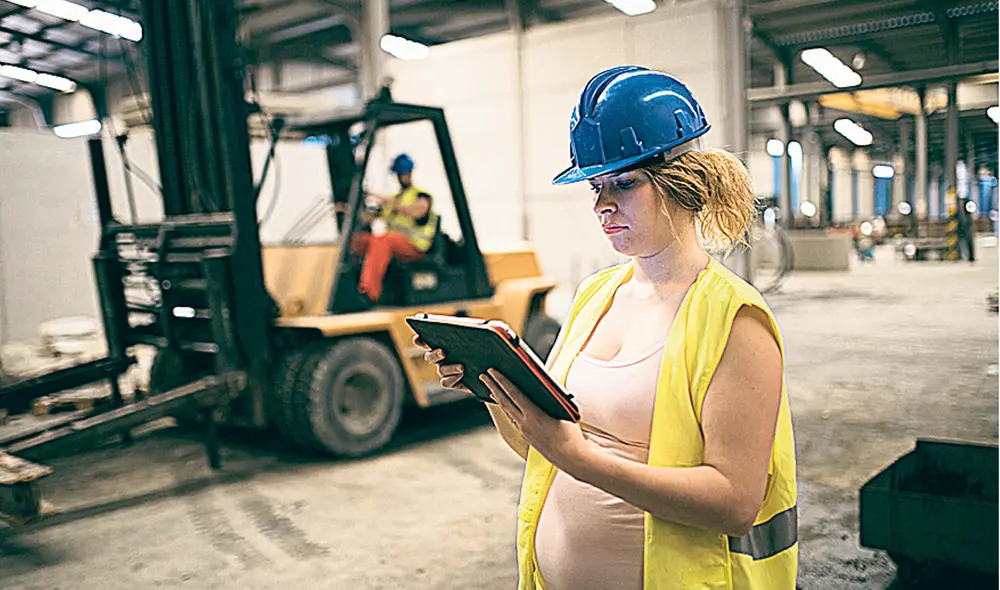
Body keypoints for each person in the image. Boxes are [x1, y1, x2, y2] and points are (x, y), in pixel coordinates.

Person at [418, 66, 797, 589]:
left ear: (683, 182)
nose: (601, 205)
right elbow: (542, 448)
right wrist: (490, 388)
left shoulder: (735, 320)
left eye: (623, 183)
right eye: (595, 186)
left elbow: (733, 503)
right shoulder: (595, 295)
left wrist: (581, 459)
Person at [352, 153, 438, 302]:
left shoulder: (421, 196)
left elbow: (413, 211)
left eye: (402, 173)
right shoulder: (395, 197)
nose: (400, 177)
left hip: (416, 246)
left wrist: (375, 195)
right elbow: (370, 217)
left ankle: (368, 292)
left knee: (382, 240)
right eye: (398, 174)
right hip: (395, 245)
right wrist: (349, 209)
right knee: (359, 241)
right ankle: (348, 286)